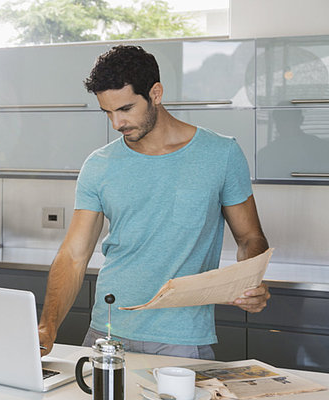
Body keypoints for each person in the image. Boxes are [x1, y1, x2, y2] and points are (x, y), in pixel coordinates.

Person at [37, 45, 270, 360]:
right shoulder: (99, 164)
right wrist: (46, 327)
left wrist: (252, 281)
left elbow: (250, 237)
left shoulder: (221, 155)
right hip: (106, 332)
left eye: (126, 108)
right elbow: (74, 256)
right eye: (108, 112)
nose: (117, 123)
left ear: (156, 93)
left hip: (181, 340)